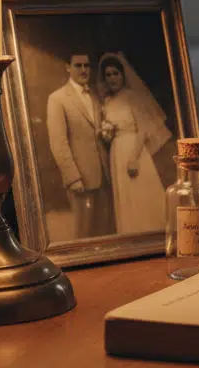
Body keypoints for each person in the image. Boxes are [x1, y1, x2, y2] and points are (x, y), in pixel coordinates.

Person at [98, 52, 172, 235]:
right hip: (116, 151)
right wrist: (106, 135)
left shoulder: (132, 97)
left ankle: (149, 235)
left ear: (123, 75)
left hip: (134, 150)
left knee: (140, 195)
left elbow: (143, 130)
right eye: (108, 75)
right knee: (125, 197)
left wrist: (134, 158)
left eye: (115, 73)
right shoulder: (107, 101)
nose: (112, 78)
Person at [45, 51, 113, 239]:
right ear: (68, 67)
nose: (84, 70)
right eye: (78, 65)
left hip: (103, 175)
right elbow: (58, 142)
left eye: (87, 65)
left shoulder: (95, 96)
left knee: (105, 230)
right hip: (80, 177)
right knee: (84, 232)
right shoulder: (57, 99)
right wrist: (73, 177)